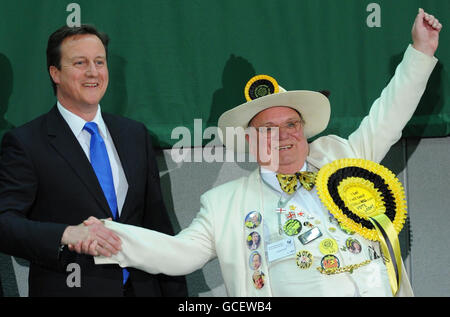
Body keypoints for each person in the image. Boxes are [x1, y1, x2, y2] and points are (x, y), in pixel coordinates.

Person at [92, 9, 441, 296]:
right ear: (251, 141)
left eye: (291, 124)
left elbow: (389, 116)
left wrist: (421, 50)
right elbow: (178, 255)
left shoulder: (343, 156)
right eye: (268, 129)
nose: (283, 136)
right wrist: (104, 235)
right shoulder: (223, 204)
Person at [0, 24, 187, 297]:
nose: (93, 72)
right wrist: (65, 234)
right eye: (80, 62)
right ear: (55, 73)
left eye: (99, 62)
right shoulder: (27, 143)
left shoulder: (134, 134)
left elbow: (157, 227)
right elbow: (4, 223)